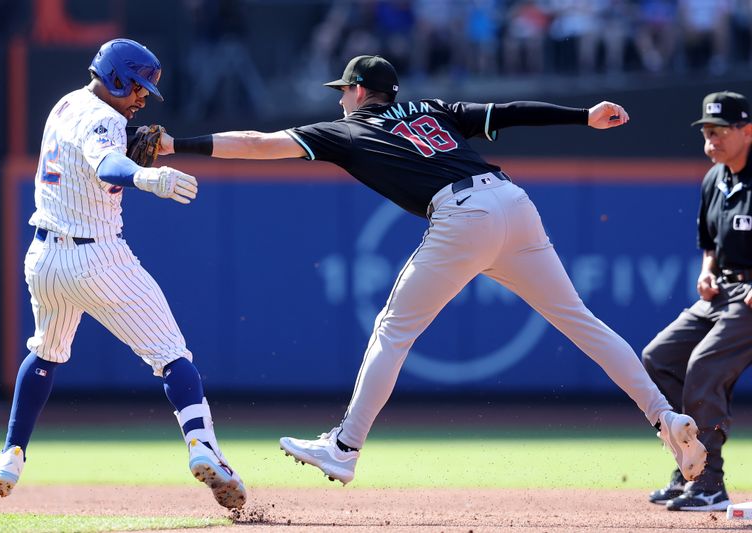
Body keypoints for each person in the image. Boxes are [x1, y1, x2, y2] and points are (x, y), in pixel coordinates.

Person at [159, 54, 707, 486]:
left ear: (357, 91)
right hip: (513, 202)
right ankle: (664, 419)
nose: (342, 99)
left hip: (462, 214)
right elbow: (508, 113)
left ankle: (344, 449)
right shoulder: (430, 108)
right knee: (579, 320)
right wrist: (583, 116)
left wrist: (176, 145)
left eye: (343, 90)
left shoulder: (345, 131)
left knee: (392, 333)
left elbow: (258, 144)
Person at [0, 38, 246, 510]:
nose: (143, 98)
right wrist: (146, 177)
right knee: (171, 354)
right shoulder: (105, 118)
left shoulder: (66, 103)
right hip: (97, 256)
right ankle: (203, 446)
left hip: (43, 258)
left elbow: (99, 154)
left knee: (45, 353)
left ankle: (10, 455)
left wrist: (127, 154)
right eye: (138, 88)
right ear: (118, 78)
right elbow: (108, 161)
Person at [642, 91, 752, 512]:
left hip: (749, 297)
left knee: (704, 366)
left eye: (721, 131)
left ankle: (710, 483)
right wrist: (706, 270)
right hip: (721, 290)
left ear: (747, 131)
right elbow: (709, 242)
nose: (712, 140)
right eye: (707, 132)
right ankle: (689, 467)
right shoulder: (715, 178)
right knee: (658, 359)